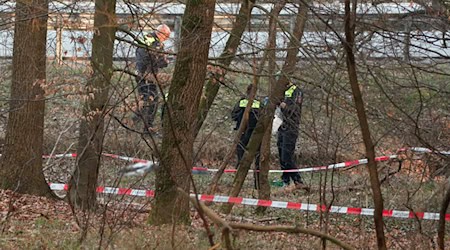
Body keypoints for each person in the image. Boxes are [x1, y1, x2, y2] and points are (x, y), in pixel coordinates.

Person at [135, 24, 171, 133]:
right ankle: (147, 128)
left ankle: (134, 122)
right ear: (160, 33)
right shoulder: (154, 42)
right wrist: (165, 61)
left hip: (143, 73)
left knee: (145, 98)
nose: (166, 39)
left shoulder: (149, 39)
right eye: (166, 37)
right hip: (147, 75)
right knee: (153, 100)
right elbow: (155, 60)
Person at [277, 81, 309, 191]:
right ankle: (285, 179)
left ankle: (297, 180)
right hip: (281, 125)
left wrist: (283, 106)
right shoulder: (282, 91)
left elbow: (295, 110)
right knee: (281, 154)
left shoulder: (296, 91)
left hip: (291, 127)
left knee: (287, 155)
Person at [231, 84, 261, 189]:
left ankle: (256, 184)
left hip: (252, 135)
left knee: (256, 161)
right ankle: (238, 184)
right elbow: (233, 115)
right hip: (246, 134)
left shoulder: (256, 103)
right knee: (242, 160)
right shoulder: (242, 102)